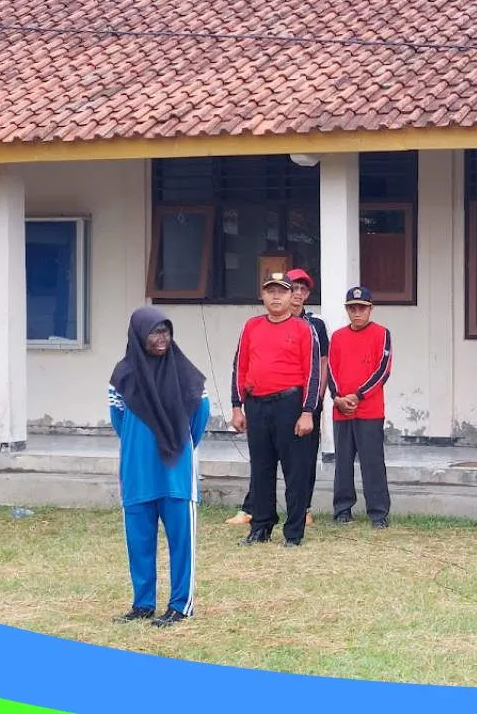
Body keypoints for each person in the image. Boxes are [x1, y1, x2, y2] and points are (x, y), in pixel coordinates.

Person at [108, 306, 211, 628]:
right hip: (137, 474)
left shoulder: (187, 375)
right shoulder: (122, 377)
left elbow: (200, 419)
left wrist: (178, 447)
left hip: (175, 475)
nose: (161, 337)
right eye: (154, 331)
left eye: (166, 331)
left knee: (182, 544)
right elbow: (119, 421)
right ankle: (143, 603)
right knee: (139, 543)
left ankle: (180, 604)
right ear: (138, 335)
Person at [225, 268, 328, 528]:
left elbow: (313, 372)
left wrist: (308, 411)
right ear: (262, 295)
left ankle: (294, 530)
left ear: (291, 294)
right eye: (270, 291)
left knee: (296, 471)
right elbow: (240, 366)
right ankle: (261, 526)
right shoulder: (252, 326)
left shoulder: (305, 329)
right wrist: (237, 406)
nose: (276, 297)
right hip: (257, 404)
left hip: (290, 405)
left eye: (282, 291)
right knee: (261, 468)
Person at [328, 285, 393, 528]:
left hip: (369, 410)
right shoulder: (337, 337)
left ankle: (378, 512)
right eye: (352, 308)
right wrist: (336, 397)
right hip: (341, 409)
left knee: (372, 462)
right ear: (347, 309)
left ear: (370, 309)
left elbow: (383, 370)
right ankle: (342, 508)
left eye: (362, 308)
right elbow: (330, 370)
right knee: (342, 462)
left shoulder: (382, 334)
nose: (357, 313)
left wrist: (358, 395)